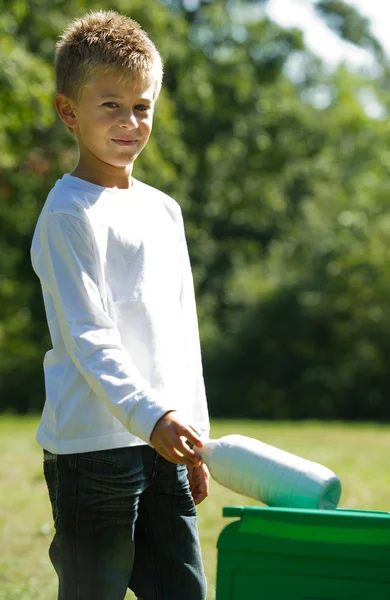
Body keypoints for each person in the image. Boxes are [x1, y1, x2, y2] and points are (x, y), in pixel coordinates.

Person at [30, 10, 210, 600]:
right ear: (69, 112)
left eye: (143, 106)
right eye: (110, 105)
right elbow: (90, 337)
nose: (130, 122)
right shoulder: (67, 215)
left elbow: (182, 334)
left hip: (163, 446)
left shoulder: (164, 211)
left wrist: (195, 439)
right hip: (92, 452)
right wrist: (152, 417)